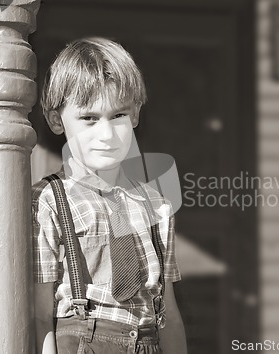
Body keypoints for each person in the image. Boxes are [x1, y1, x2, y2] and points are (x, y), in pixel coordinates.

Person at [32, 37, 187, 354]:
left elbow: (167, 311)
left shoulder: (157, 205)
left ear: (136, 115)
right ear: (55, 120)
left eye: (118, 116)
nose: (106, 134)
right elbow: (39, 314)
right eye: (89, 118)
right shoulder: (49, 199)